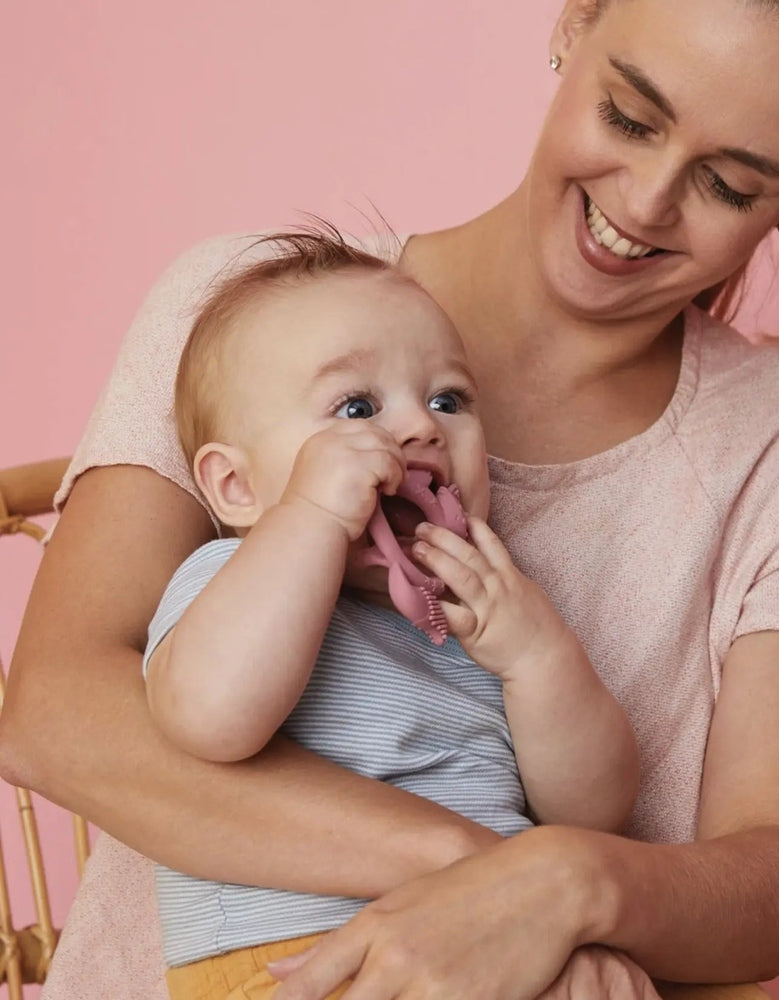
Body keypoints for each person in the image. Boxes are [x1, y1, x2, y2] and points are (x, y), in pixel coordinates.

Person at [0, 1, 779, 998]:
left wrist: (574, 880)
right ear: (572, 23)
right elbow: (54, 713)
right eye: (630, 117)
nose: (642, 202)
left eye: (725, 183)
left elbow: (765, 885)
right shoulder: (251, 315)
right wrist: (490, 877)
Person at [143, 226, 638, 998]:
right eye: (355, 406)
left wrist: (539, 657)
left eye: (448, 399)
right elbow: (208, 718)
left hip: (490, 946)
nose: (419, 428)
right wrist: (309, 516)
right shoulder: (229, 578)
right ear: (237, 488)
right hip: (296, 963)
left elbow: (595, 813)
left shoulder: (485, 616)